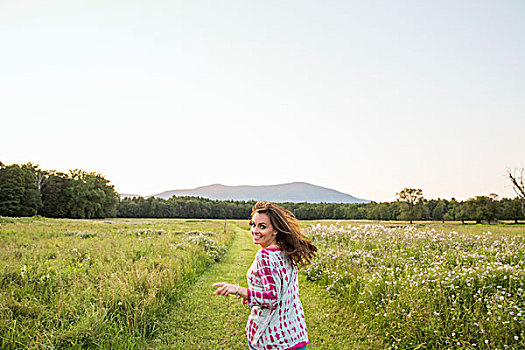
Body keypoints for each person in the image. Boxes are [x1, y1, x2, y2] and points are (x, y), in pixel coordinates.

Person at [213, 201, 317, 350]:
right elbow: (280, 290)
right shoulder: (285, 251)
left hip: (272, 339)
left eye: (262, 226)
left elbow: (272, 298)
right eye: (253, 225)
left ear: (275, 230)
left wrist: (238, 290)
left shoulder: (265, 256)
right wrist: (251, 295)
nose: (255, 230)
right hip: (296, 335)